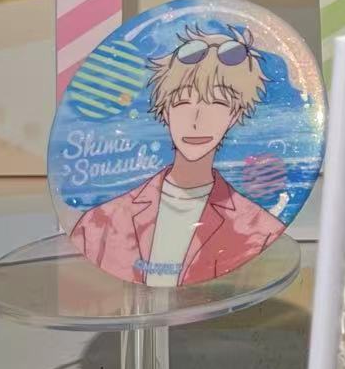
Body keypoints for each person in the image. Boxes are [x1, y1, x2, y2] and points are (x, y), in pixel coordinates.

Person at [69, 28, 283, 287]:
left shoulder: (259, 230)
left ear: (235, 115)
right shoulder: (99, 225)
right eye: (181, 103)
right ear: (165, 111)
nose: (196, 120)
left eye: (217, 103)